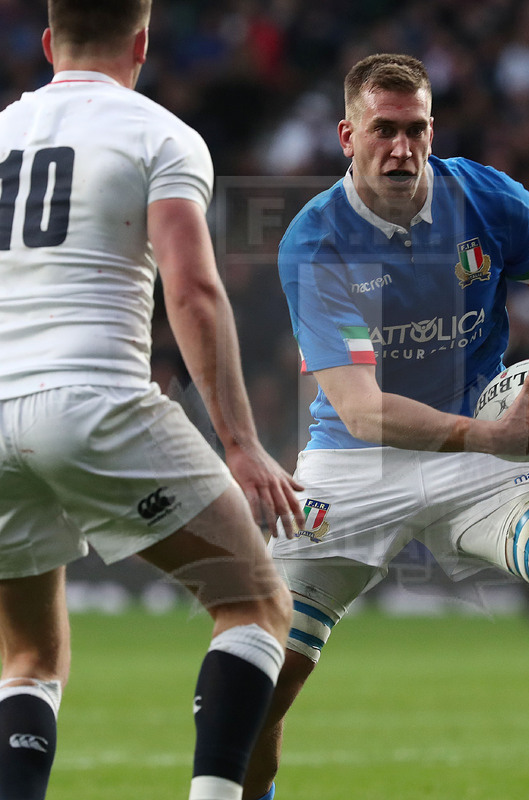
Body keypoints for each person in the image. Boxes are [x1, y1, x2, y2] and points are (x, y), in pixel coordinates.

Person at [243, 54, 529, 800]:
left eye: (416, 129)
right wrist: (494, 437)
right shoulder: (316, 241)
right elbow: (361, 410)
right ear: (348, 135)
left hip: (483, 445)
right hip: (356, 460)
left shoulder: (486, 199)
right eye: (384, 130)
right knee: (258, 678)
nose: (402, 148)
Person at [0, 2, 306, 799]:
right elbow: (194, 289)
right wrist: (240, 443)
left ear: (48, 42)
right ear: (141, 42)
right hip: (92, 399)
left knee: (27, 659)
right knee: (255, 604)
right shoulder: (158, 135)